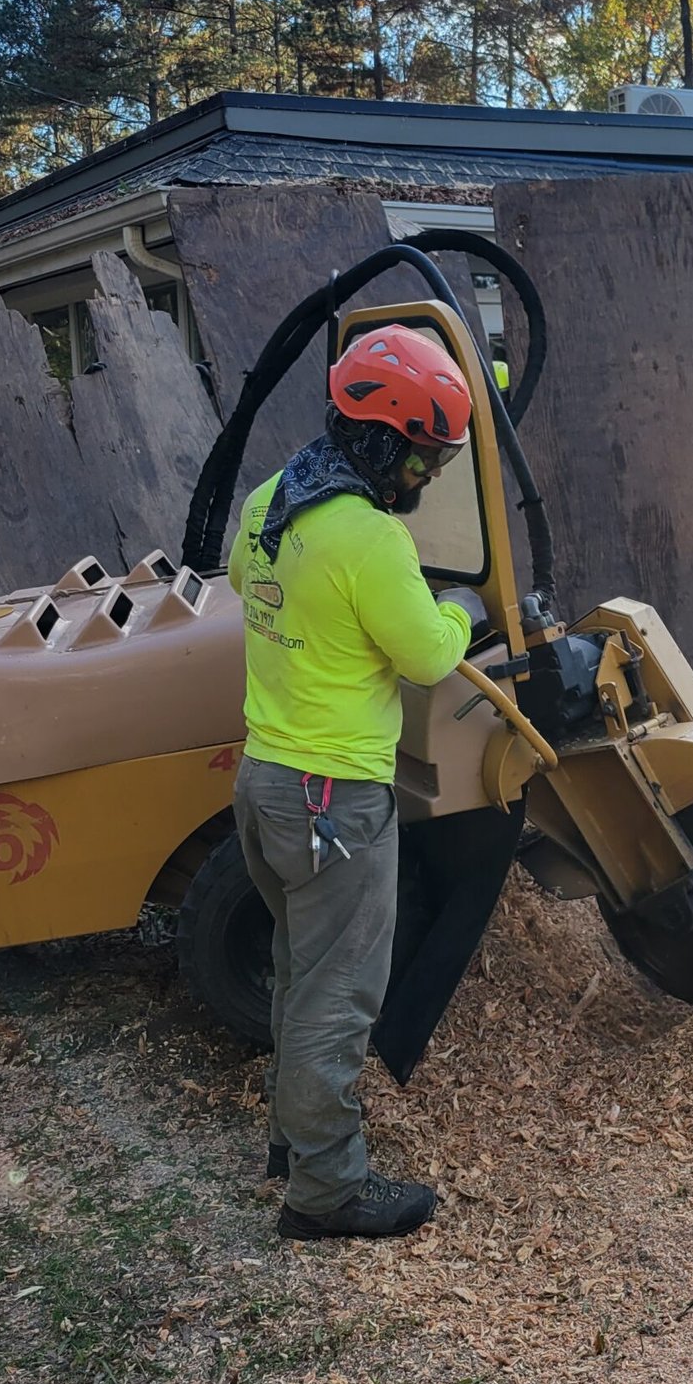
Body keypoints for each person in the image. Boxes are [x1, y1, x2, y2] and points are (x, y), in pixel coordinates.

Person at [227, 325, 486, 1242]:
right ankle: (328, 1191)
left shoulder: (269, 502)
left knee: (300, 974)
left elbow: (244, 592)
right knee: (339, 995)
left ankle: (291, 1145)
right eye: (421, 458)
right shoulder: (369, 538)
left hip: (264, 782)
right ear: (378, 439)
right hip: (335, 798)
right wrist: (462, 610)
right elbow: (422, 657)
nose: (425, 477)